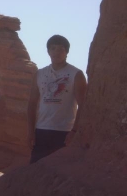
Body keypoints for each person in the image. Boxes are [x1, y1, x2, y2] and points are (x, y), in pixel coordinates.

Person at [27, 34, 87, 164]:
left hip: (64, 132)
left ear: (66, 52)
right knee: (36, 171)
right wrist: (31, 131)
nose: (56, 52)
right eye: (53, 48)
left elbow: (83, 105)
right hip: (41, 130)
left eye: (61, 49)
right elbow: (32, 103)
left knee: (58, 172)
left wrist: (74, 131)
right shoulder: (39, 74)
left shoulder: (76, 74)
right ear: (48, 51)